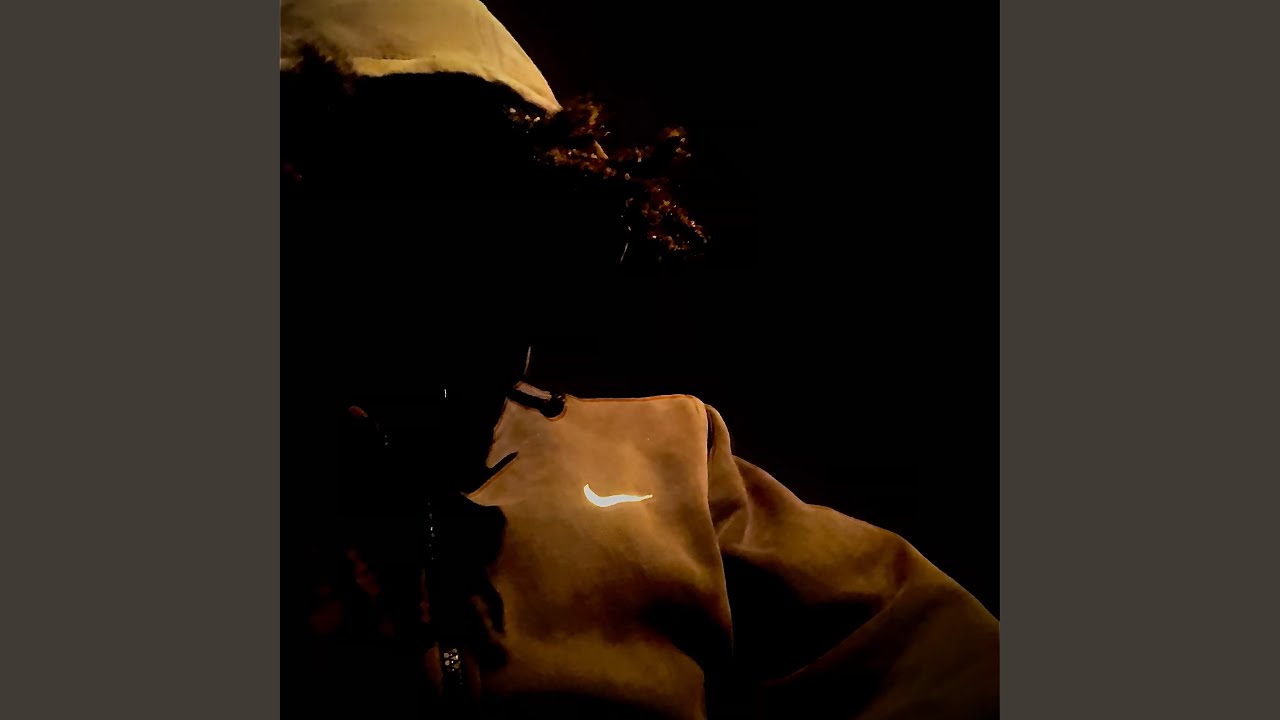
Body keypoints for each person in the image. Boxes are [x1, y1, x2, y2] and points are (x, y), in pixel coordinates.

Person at [283, 1, 999, 718]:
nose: (458, 261)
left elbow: (954, 665)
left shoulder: (670, 459)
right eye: (390, 204)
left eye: (498, 209)